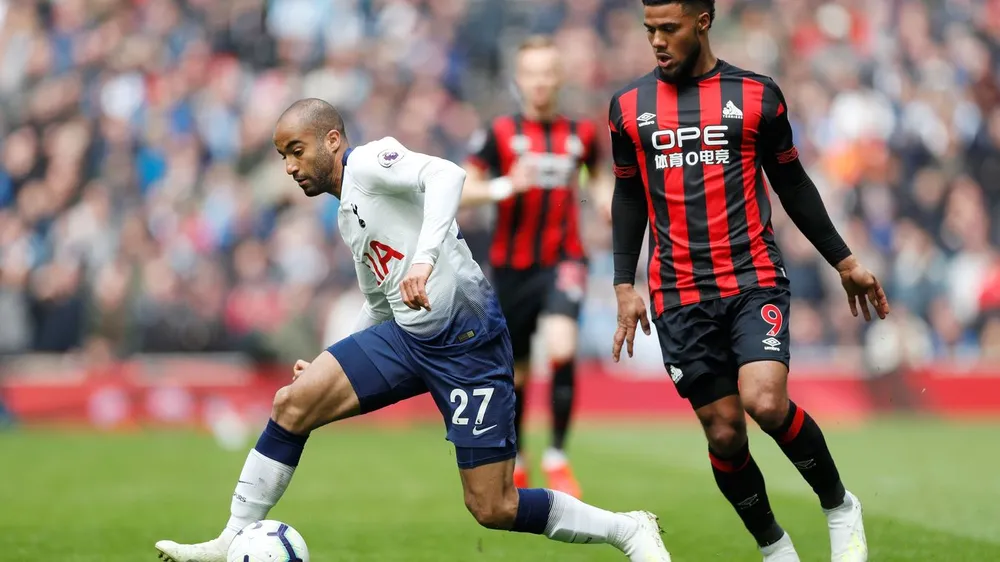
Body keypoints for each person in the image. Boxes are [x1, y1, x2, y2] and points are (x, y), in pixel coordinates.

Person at [154, 99, 672, 562]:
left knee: (492, 505)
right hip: (406, 338)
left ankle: (628, 530)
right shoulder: (346, 217)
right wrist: (331, 359)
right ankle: (232, 539)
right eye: (282, 156)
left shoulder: (370, 161)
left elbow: (448, 175)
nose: (289, 167)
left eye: (296, 150)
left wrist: (424, 261)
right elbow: (379, 303)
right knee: (294, 402)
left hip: (469, 343)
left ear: (332, 141)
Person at [608, 2, 889, 561]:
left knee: (764, 401)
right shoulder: (627, 107)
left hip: (752, 277)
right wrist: (622, 283)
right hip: (678, 293)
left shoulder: (758, 96)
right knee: (724, 434)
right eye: (649, 31)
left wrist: (843, 259)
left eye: (669, 28)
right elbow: (628, 195)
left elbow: (792, 182)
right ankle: (774, 547)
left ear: (703, 21)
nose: (657, 41)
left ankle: (838, 506)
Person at [461, 35, 610, 497]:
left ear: (559, 78)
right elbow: (464, 189)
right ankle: (521, 458)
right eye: (532, 73)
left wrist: (607, 203)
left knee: (562, 347)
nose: (541, 81)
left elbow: (598, 178)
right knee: (518, 371)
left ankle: (558, 457)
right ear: (519, 79)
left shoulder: (581, 134)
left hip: (564, 258)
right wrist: (506, 185)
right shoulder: (498, 133)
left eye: (549, 72)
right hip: (511, 268)